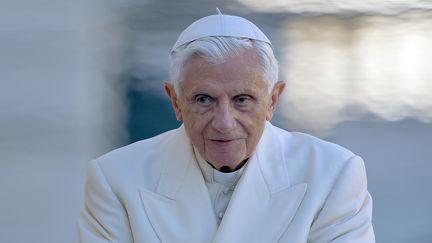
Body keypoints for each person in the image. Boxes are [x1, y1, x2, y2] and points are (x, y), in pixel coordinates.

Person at [78, 11, 375, 243]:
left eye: (242, 99)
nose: (223, 123)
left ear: (273, 101)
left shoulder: (333, 174)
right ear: (176, 101)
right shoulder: (115, 178)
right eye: (204, 99)